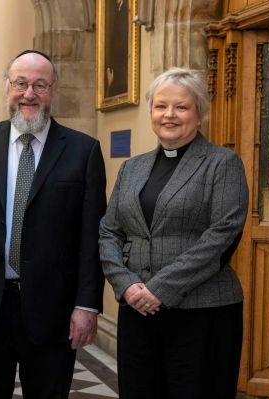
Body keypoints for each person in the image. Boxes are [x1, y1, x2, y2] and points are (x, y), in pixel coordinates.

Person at [0, 50, 107, 398]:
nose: (29, 94)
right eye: (21, 83)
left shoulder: (84, 151)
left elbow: (91, 237)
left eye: (40, 85)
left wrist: (87, 304)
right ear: (8, 87)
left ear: (54, 90)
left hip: (53, 313)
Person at [99, 68, 248, 398]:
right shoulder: (132, 167)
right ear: (151, 111)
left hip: (202, 313)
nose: (169, 115)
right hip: (137, 311)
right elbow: (109, 231)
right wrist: (126, 285)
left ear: (199, 113)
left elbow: (222, 235)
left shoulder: (223, 163)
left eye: (181, 107)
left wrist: (160, 289)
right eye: (160, 106)